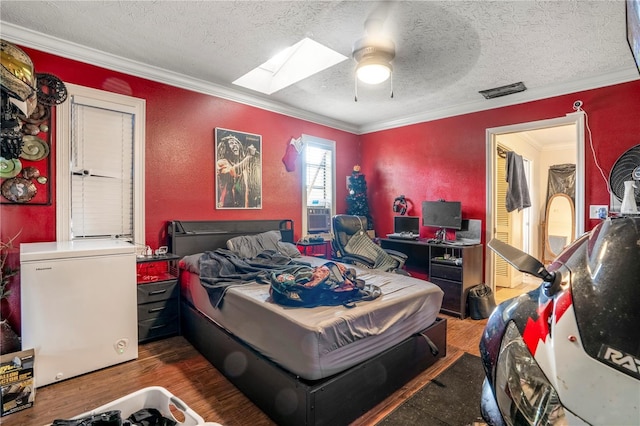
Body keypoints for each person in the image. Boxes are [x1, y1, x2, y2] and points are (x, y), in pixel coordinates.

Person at [216, 134, 261, 208]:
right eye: (231, 143)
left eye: (236, 143)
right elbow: (232, 172)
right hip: (227, 207)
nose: (235, 145)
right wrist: (249, 156)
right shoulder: (221, 162)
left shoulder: (244, 165)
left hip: (244, 208)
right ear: (225, 148)